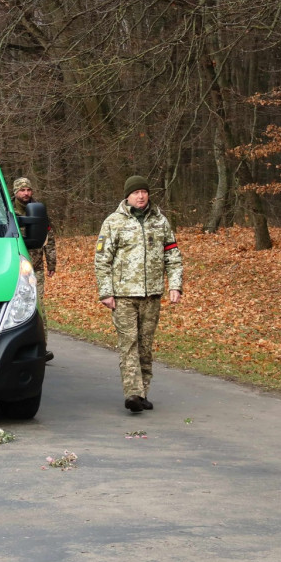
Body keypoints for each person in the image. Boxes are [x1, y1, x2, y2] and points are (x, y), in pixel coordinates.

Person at [94, 175, 183, 413]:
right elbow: (102, 260)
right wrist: (106, 292)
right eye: (136, 193)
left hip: (152, 294)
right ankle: (132, 393)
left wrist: (175, 285)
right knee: (129, 342)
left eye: (144, 192)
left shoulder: (161, 221)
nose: (141, 196)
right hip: (123, 295)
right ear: (127, 196)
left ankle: (142, 392)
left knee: (145, 345)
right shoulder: (113, 222)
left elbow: (172, 256)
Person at [12, 177, 58, 360]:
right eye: (22, 190)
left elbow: (49, 238)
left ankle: (41, 347)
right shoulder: (9, 211)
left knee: (38, 306)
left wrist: (51, 262)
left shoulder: (39, 211)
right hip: (15, 267)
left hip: (36, 267)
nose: (26, 193)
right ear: (15, 192)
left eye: (28, 190)